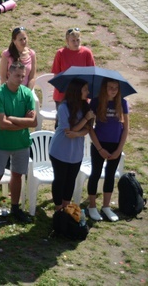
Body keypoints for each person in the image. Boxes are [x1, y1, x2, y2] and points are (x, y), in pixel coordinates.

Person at [0, 62, 36, 226]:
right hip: (1, 143)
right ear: (8, 75)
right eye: (17, 75)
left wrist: (11, 118)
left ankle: (15, 208)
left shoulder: (27, 93)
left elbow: (33, 122)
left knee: (17, 175)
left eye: (23, 76)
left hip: (22, 143)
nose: (20, 79)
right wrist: (23, 122)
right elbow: (2, 124)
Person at [87, 78, 129, 222]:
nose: (113, 90)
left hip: (115, 145)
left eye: (116, 88)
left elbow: (126, 129)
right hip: (99, 144)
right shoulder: (96, 101)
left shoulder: (122, 103)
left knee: (110, 175)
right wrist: (99, 148)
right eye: (110, 87)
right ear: (104, 88)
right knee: (96, 173)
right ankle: (92, 206)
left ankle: (106, 206)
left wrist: (119, 149)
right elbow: (90, 128)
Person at [50, 79, 93, 212]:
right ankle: (58, 210)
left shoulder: (86, 107)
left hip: (76, 153)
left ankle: (66, 207)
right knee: (60, 180)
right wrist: (85, 120)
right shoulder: (63, 107)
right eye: (85, 89)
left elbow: (88, 129)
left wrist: (78, 133)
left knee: (70, 181)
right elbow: (68, 130)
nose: (88, 92)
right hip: (60, 151)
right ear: (77, 91)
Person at [52, 28, 95, 108]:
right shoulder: (60, 53)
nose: (76, 43)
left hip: (81, 94)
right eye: (73, 40)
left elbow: (91, 74)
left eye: (78, 40)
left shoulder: (87, 53)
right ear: (67, 41)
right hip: (63, 95)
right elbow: (56, 75)